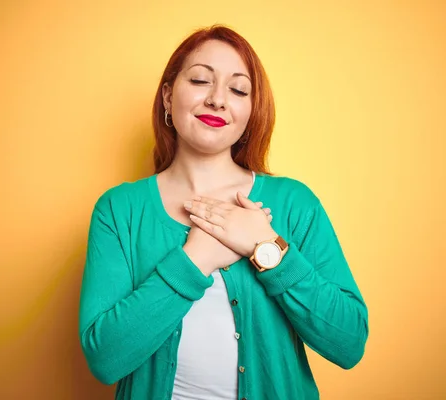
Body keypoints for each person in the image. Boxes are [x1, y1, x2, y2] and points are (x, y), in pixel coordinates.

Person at [79, 25, 369, 400]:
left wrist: (266, 247)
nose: (218, 99)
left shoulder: (296, 203)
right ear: (168, 95)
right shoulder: (119, 210)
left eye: (237, 89)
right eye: (201, 80)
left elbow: (348, 343)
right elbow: (105, 359)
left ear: (251, 111)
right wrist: (196, 258)